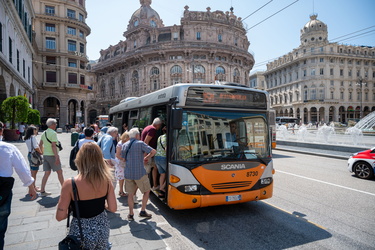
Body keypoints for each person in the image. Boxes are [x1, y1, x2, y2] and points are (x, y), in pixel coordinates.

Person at [56, 142, 117, 249]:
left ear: (79, 159)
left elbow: (60, 216)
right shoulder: (107, 180)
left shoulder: (70, 184)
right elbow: (113, 208)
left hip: (80, 232)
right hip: (102, 229)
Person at [0, 121, 37, 248]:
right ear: (2, 131)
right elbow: (22, 169)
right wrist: (31, 186)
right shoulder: (8, 148)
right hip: (2, 190)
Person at [122, 128, 156, 220]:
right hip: (140, 173)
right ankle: (143, 211)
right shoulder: (140, 143)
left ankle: (131, 214)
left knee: (130, 194)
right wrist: (147, 157)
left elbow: (123, 159)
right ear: (137, 135)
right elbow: (153, 151)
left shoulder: (125, 145)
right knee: (146, 191)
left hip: (128, 173)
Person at [39, 118, 64, 196]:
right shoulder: (53, 133)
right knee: (59, 172)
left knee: (46, 173)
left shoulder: (44, 133)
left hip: (45, 155)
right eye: (55, 124)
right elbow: (53, 146)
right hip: (52, 155)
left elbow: (40, 144)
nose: (56, 125)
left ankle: (42, 191)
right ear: (53, 125)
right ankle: (64, 189)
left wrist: (43, 152)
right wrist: (56, 157)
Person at [141, 117, 162, 190]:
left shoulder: (147, 127)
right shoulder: (152, 129)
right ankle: (144, 188)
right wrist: (146, 155)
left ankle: (155, 185)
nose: (159, 127)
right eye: (160, 125)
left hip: (150, 154)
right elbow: (146, 142)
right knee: (146, 171)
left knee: (155, 167)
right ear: (158, 125)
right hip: (148, 154)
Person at [24, 126, 43, 191]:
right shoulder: (33, 138)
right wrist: (40, 152)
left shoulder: (27, 138)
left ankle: (32, 186)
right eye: (35, 130)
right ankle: (33, 187)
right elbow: (36, 147)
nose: (36, 131)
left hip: (29, 154)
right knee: (34, 172)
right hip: (34, 155)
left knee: (32, 171)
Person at [115, 132, 129, 197]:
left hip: (122, 162)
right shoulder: (120, 144)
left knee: (123, 177)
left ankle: (122, 191)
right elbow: (117, 155)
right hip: (121, 163)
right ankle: (121, 191)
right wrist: (123, 159)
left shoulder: (124, 143)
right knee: (121, 177)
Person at [154, 126, 167, 198]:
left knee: (162, 174)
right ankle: (162, 187)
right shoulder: (168, 138)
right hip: (163, 158)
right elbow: (166, 149)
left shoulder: (160, 137)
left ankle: (161, 189)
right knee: (169, 173)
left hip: (157, 157)